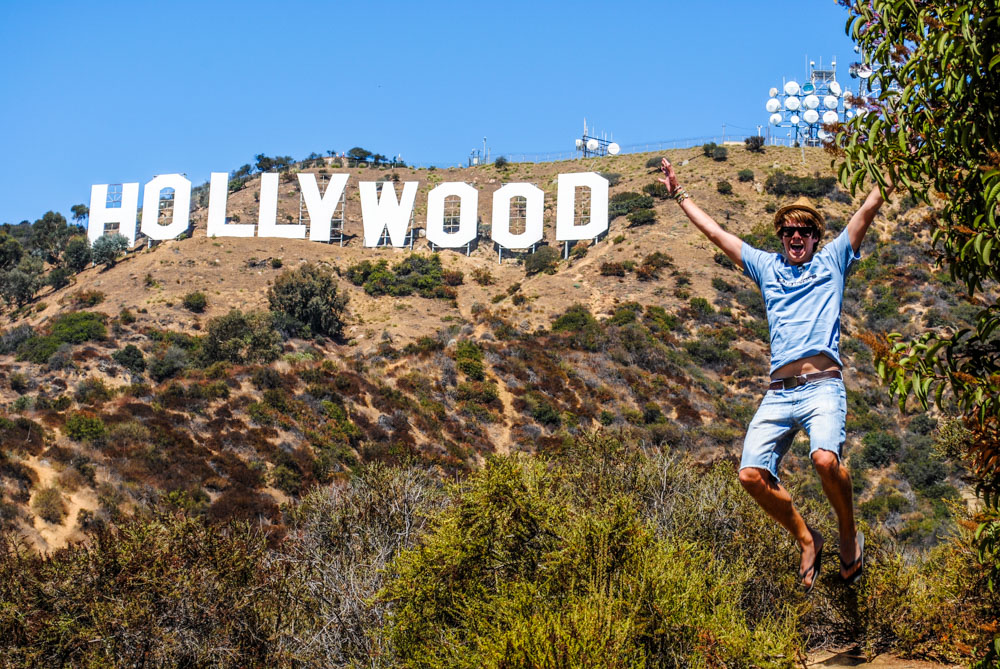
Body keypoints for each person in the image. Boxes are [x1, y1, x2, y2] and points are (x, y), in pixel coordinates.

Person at [658, 157, 891, 591]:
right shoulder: (767, 268)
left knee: (824, 459)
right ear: (780, 237)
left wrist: (892, 167)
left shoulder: (834, 260)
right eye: (788, 231)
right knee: (749, 475)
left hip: (823, 386)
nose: (796, 237)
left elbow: (866, 210)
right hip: (779, 392)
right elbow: (715, 233)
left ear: (817, 237)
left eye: (804, 231)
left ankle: (846, 533)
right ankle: (807, 538)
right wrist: (678, 194)